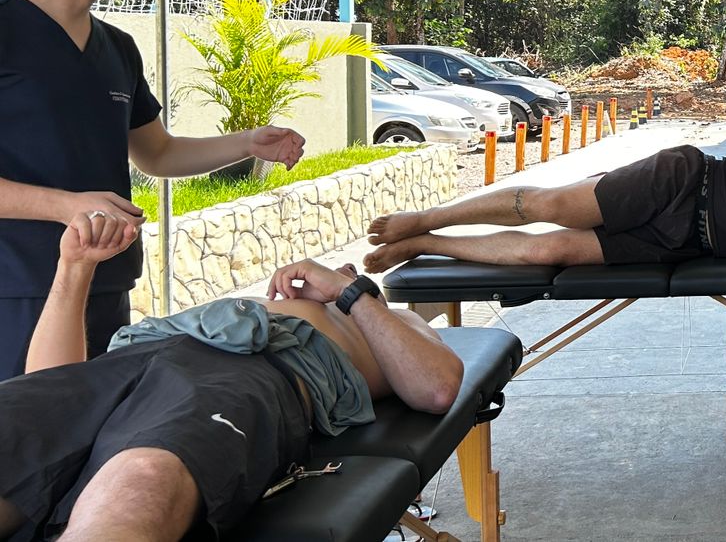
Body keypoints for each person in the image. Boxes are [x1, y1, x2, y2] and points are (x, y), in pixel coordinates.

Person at [0, 0, 306, 380]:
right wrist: (67, 207)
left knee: (105, 427)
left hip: (108, 283)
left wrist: (249, 143)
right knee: (27, 430)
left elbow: (157, 153)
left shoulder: (118, 48)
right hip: (15, 290)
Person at [0, 209, 463, 542]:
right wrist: (75, 267)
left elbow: (438, 387)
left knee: (141, 480)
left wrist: (351, 291)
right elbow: (53, 389)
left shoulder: (390, 320)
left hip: (247, 372)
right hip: (139, 352)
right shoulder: (242, 308)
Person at [364, 95, 726, 272]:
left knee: (550, 251)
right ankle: (430, 218)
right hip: (685, 181)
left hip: (683, 242)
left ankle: (425, 243)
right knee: (553, 204)